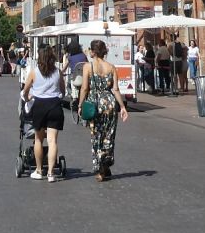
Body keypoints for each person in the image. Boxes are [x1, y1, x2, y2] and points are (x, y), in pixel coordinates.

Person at [77, 38, 130, 181]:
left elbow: (85, 88)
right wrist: (123, 107)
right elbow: (116, 89)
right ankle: (106, 164)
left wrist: (80, 104)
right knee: (109, 136)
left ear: (93, 52)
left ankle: (100, 169)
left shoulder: (88, 67)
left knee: (97, 136)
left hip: (95, 104)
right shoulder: (111, 67)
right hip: (111, 104)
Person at [18, 45, 65, 181]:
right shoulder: (58, 72)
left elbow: (25, 90)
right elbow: (63, 91)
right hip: (55, 105)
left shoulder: (34, 72)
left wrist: (27, 98)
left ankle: (39, 171)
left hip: (40, 106)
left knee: (38, 139)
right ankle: (51, 173)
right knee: (52, 141)